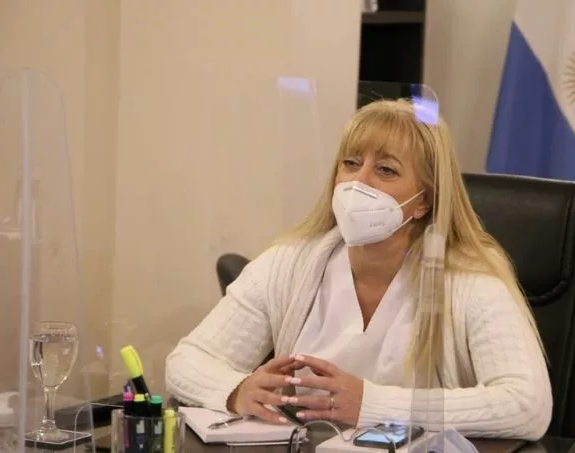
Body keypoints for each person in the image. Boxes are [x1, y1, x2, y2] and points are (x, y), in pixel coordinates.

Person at [165, 99, 552, 440]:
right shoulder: (290, 264)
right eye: (351, 164)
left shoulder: (470, 281)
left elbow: (526, 406)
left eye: (385, 170)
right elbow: (186, 361)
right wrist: (237, 390)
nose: (358, 182)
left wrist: (370, 405)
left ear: (424, 201)